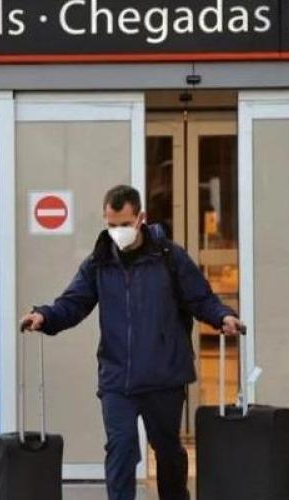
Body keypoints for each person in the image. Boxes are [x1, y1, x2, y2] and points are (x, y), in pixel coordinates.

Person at [20, 185, 244, 500]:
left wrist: (223, 316)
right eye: (111, 225)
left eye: (124, 224)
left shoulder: (169, 257)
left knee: (167, 451)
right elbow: (73, 303)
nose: (117, 232)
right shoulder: (99, 262)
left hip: (164, 374)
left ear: (141, 218)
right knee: (121, 448)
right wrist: (45, 316)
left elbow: (200, 298)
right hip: (117, 377)